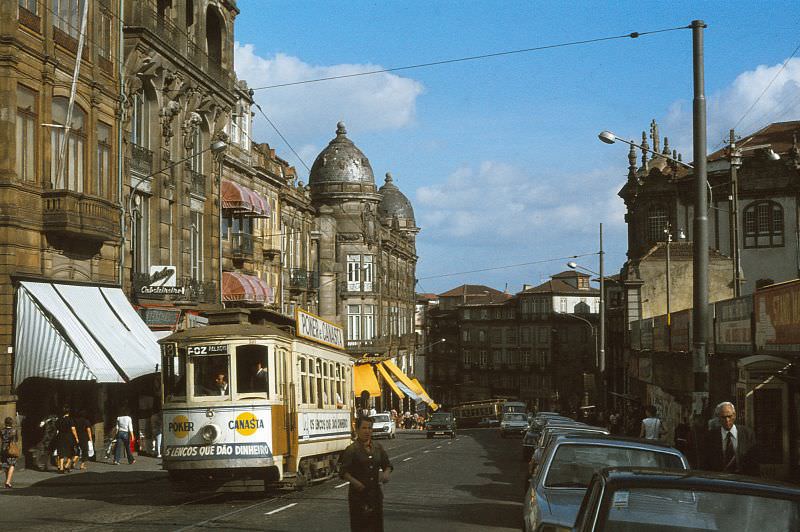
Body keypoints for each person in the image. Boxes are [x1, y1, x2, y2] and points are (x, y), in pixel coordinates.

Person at [340, 416, 393, 532]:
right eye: (364, 428)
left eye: (370, 428)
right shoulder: (351, 450)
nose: (367, 431)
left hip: (375, 495)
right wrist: (355, 482)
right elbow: (343, 472)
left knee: (376, 527)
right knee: (361, 527)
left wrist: (386, 474)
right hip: (358, 497)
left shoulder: (377, 447)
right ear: (357, 430)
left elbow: (387, 465)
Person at [700, 401, 759, 475]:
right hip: (719, 480)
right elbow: (706, 463)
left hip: (743, 479)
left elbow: (754, 462)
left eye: (729, 416)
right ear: (718, 418)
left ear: (734, 415)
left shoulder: (747, 434)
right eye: (723, 417)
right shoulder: (710, 437)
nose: (727, 420)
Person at [55, 405, 79, 473]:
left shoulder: (59, 420)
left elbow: (56, 428)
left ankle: (61, 468)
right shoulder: (70, 420)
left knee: (61, 452)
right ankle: (67, 465)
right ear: (68, 412)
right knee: (71, 452)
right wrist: (76, 438)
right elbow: (73, 430)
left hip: (60, 436)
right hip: (69, 437)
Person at [1, 417, 18, 488]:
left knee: (6, 465)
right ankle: (8, 482)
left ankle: (7, 481)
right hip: (11, 449)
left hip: (3, 449)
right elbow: (16, 439)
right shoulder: (14, 430)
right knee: (12, 465)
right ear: (11, 423)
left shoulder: (2, 430)